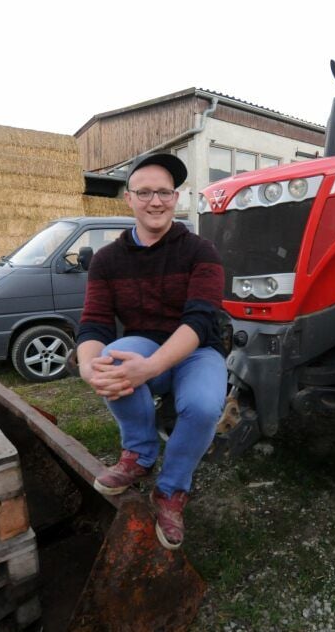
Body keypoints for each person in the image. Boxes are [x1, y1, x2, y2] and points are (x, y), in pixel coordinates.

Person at [75, 152, 226, 550]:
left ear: (176, 198)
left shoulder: (201, 251)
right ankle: (139, 455)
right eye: (144, 193)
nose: (154, 202)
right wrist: (88, 367)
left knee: (205, 405)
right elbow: (94, 324)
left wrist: (152, 367)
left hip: (196, 350)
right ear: (129, 199)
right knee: (108, 360)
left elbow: (199, 322)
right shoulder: (107, 259)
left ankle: (172, 489)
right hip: (144, 345)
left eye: (163, 192)